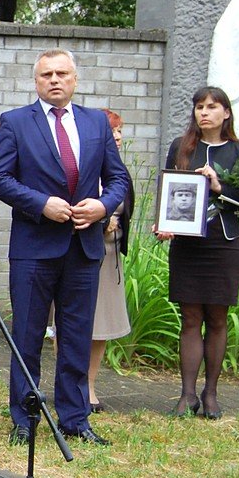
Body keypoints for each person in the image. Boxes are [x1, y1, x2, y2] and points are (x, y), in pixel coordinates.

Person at [0, 49, 130, 447]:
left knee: (77, 336)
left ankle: (75, 418)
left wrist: (102, 206)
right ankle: (25, 418)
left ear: (74, 79)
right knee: (27, 335)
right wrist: (40, 204)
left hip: (83, 247)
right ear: (36, 82)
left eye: (62, 73)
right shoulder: (16, 122)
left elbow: (118, 178)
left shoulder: (96, 123)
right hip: (34, 247)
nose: (54, 80)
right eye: (46, 74)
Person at [157, 86, 239, 420]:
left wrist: (220, 187)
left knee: (217, 318)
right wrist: (163, 223)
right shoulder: (181, 147)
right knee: (190, 318)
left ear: (226, 113)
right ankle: (187, 394)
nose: (204, 112)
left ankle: (211, 393)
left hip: (224, 244)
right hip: (187, 246)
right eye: (199, 107)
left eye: (212, 106)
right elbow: (168, 192)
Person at [88, 108, 133, 414]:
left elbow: (126, 208)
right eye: (112, 131)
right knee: (75, 325)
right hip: (82, 254)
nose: (116, 137)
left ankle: (89, 386)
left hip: (111, 256)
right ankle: (71, 385)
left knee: (101, 326)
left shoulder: (121, 171)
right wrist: (102, 223)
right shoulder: (85, 165)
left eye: (119, 131)